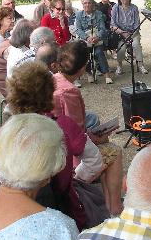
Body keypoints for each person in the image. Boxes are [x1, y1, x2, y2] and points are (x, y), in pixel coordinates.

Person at [6, 62, 106, 229]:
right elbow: (94, 161)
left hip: (18, 215)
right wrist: (75, 179)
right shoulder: (63, 125)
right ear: (49, 92)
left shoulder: (8, 132)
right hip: (64, 211)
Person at [51, 42, 124, 216]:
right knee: (114, 151)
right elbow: (76, 134)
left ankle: (107, 202)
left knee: (106, 150)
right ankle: (114, 207)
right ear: (83, 67)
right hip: (69, 158)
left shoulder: (52, 80)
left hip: (55, 146)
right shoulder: (69, 91)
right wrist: (99, 136)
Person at [73, 0, 112, 85]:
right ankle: (89, 73)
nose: (87, 5)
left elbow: (103, 29)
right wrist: (87, 38)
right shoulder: (79, 14)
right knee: (84, 53)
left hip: (97, 39)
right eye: (85, 3)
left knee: (99, 52)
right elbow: (78, 29)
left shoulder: (98, 14)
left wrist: (97, 37)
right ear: (82, 4)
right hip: (85, 40)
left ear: (93, 4)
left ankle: (107, 75)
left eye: (89, 3)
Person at [110, 0, 147, 75]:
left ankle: (141, 65)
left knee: (136, 44)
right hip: (120, 34)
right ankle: (119, 65)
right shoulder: (115, 8)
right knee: (121, 48)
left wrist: (131, 34)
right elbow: (113, 24)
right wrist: (122, 32)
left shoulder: (134, 8)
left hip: (133, 33)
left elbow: (137, 24)